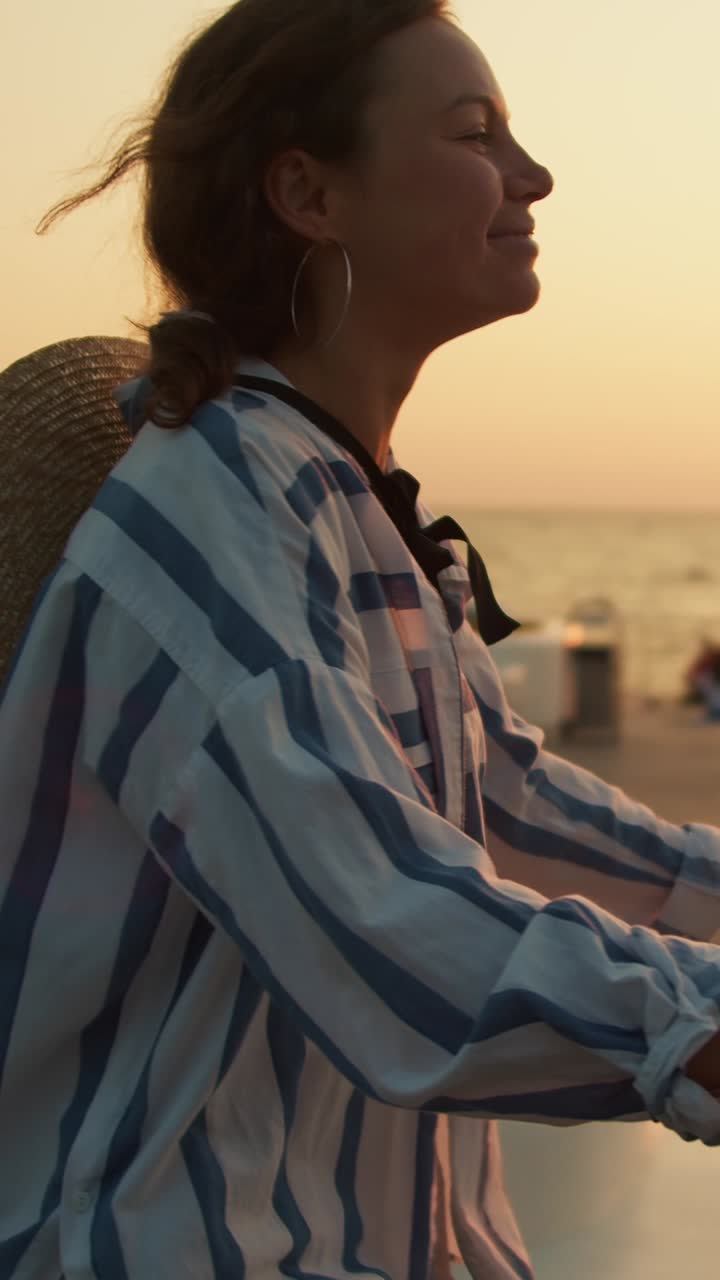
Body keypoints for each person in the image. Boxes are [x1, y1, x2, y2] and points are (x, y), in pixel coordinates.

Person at [3, 3, 720, 1278]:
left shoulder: (335, 498)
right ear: (308, 194)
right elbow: (383, 919)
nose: (532, 173)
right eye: (476, 132)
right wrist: (687, 1021)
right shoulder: (205, 505)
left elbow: (508, 812)